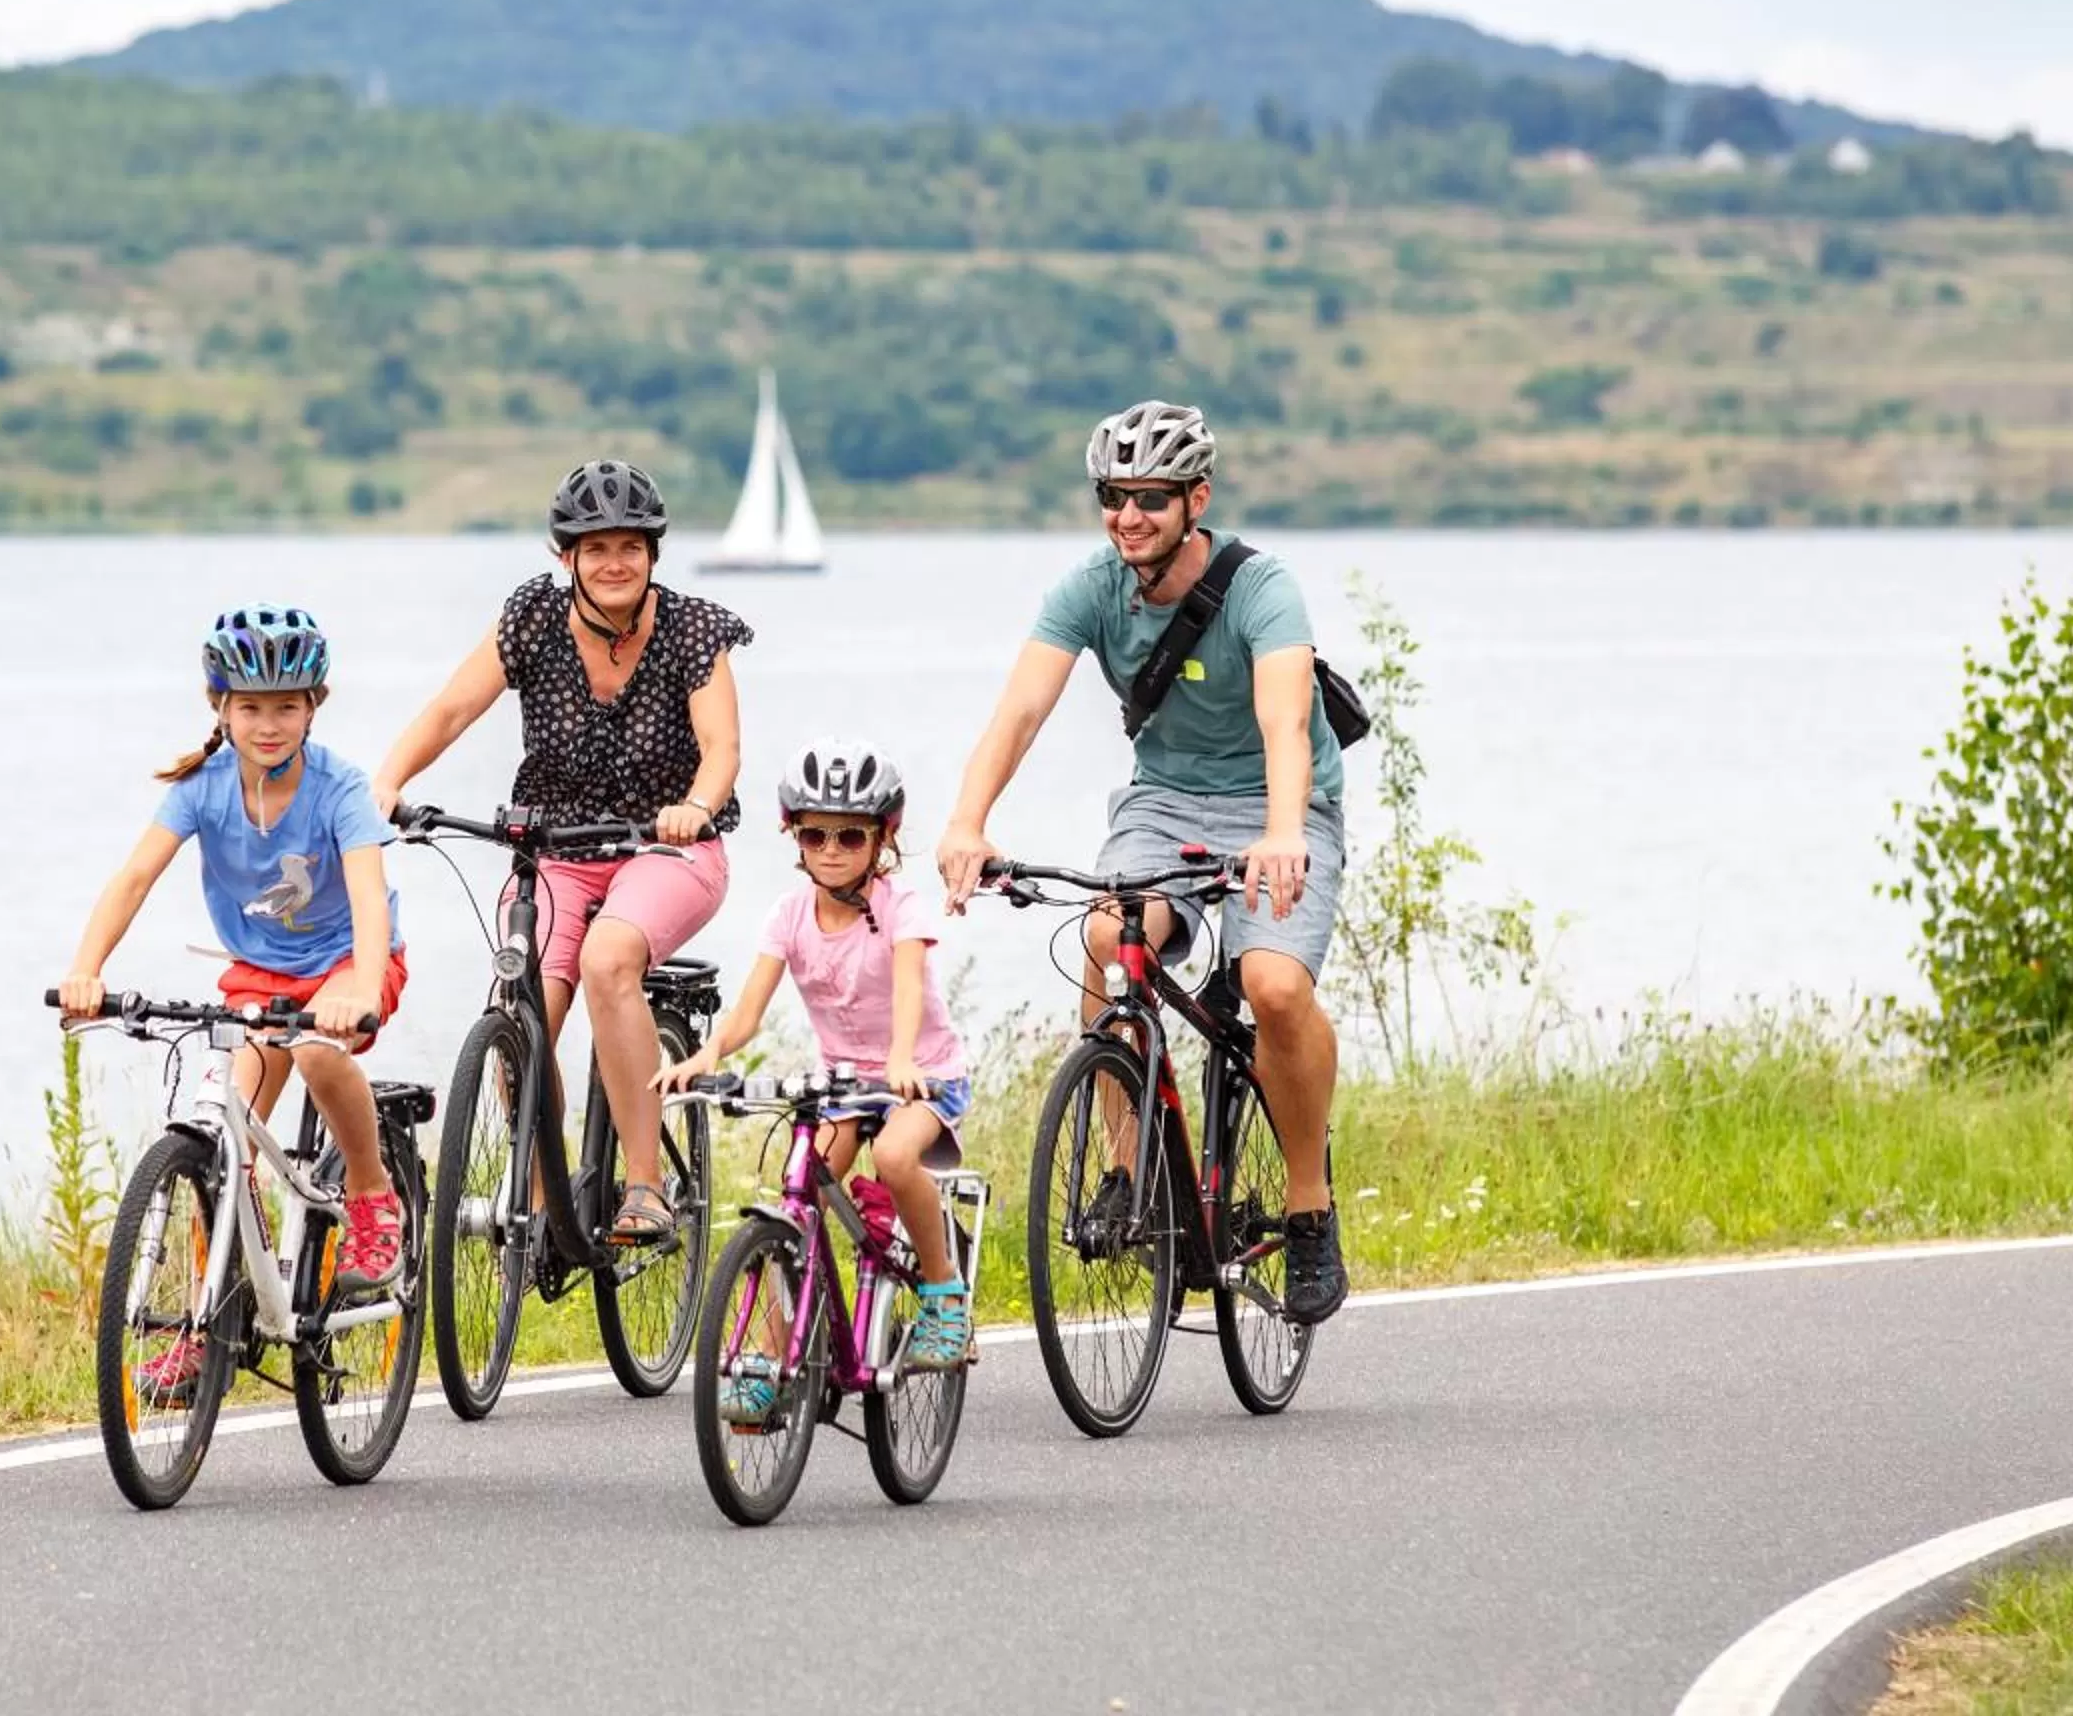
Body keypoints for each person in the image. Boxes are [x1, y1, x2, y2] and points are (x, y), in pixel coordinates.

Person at [934, 400, 1352, 1324]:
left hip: (1285, 804)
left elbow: (1286, 722)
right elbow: (1019, 714)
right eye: (1112, 497)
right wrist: (968, 821)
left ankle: (1310, 1205)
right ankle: (1128, 1173)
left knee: (1275, 987)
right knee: (1107, 936)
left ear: (1196, 498)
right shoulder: (1090, 587)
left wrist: (1284, 833)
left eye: (1152, 498)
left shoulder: (1262, 588)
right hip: (1163, 803)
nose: (1129, 516)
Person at [373, 461, 751, 1245]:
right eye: (595, 547)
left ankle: (645, 1186)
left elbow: (722, 749)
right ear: (565, 556)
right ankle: (546, 1203)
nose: (614, 562)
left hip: (668, 849)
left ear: (653, 553)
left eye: (629, 547)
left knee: (610, 960)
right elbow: (450, 709)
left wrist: (694, 808)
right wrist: (387, 782)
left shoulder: (694, 631)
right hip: (558, 848)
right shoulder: (532, 621)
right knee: (520, 1011)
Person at [59, 606, 409, 1398]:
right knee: (222, 1133)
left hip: (348, 963)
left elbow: (369, 896)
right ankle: (203, 1322)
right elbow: (135, 878)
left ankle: (369, 1192)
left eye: (287, 705)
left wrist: (355, 988)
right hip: (258, 970)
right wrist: (87, 969)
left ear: (314, 705)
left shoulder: (340, 788)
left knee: (319, 1051)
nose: (269, 722)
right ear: (219, 707)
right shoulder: (202, 788)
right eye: (250, 706)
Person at [661, 741, 973, 1413]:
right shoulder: (790, 914)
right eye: (815, 834)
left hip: (922, 1076)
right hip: (842, 1085)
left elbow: (910, 985)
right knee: (797, 1195)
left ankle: (945, 1296)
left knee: (893, 1155)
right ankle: (773, 1357)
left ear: (881, 836)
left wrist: (899, 1061)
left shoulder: (900, 907)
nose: (831, 849)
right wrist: (707, 1056)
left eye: (850, 835)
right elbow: (747, 1012)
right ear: (794, 836)